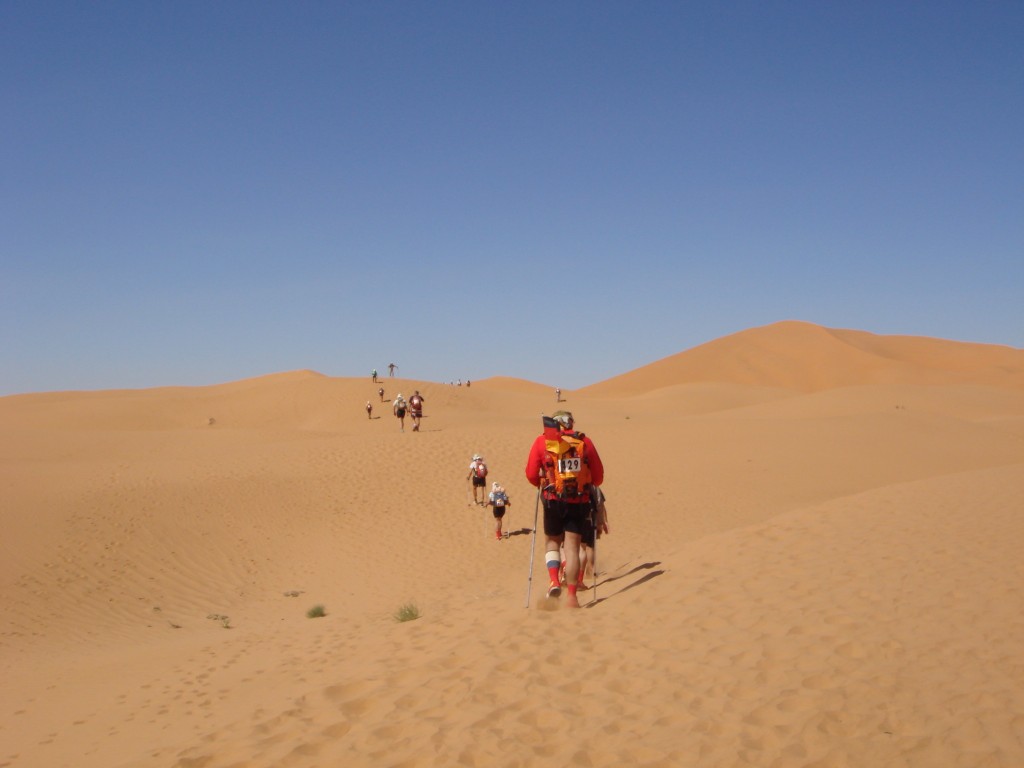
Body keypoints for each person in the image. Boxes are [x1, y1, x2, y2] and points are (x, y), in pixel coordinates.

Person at [525, 410, 604, 608]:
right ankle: (572, 596)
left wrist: (542, 482)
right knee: (572, 548)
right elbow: (599, 477)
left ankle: (553, 580)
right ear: (571, 423)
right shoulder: (584, 442)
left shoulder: (541, 442)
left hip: (552, 499)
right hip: (578, 501)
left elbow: (531, 473)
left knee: (552, 542)